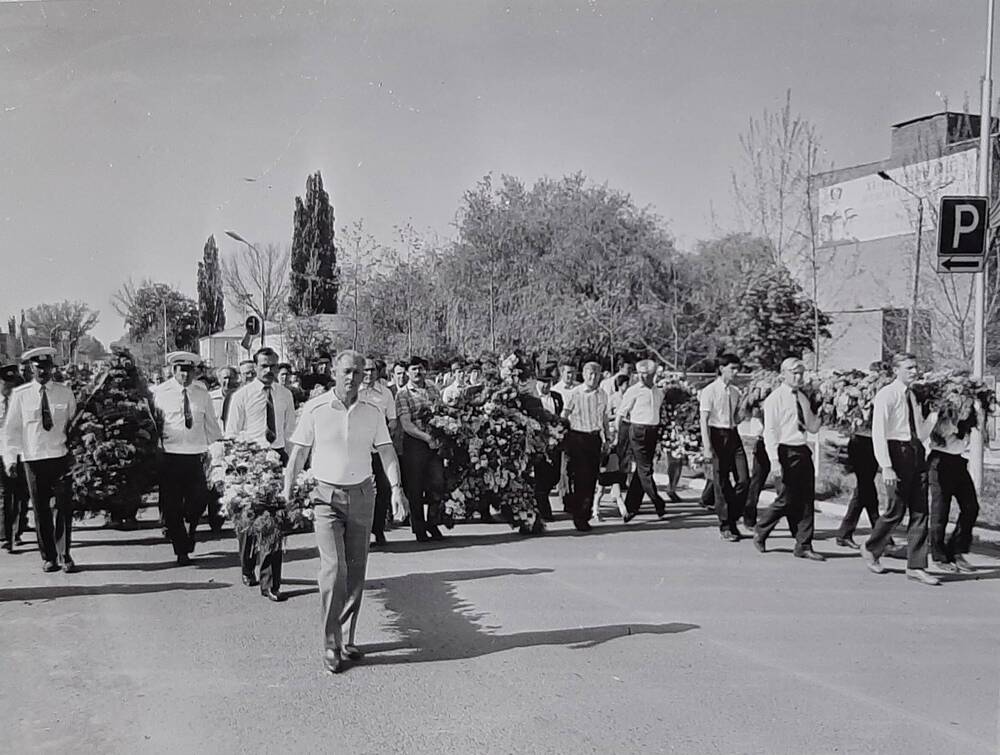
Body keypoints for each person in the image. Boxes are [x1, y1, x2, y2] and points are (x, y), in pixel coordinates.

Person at [283, 350, 408, 674]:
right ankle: (330, 643)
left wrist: (396, 490)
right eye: (347, 372)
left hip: (363, 495)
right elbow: (298, 454)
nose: (353, 378)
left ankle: (346, 638)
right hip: (325, 497)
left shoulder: (372, 411)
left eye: (359, 372)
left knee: (355, 572)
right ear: (333, 372)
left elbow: (386, 452)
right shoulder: (316, 408)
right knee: (334, 569)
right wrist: (288, 490)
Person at [861, 352, 939, 586]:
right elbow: (878, 433)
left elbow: (920, 432)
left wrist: (934, 417)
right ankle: (871, 546)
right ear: (896, 370)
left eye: (915, 367)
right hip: (897, 454)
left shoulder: (913, 396)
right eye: (908, 368)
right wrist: (886, 466)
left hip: (916, 452)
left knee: (920, 511)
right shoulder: (887, 394)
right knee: (896, 509)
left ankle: (916, 566)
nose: (914, 371)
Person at [226, 346, 298, 601]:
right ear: (255, 367)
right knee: (248, 522)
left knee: (274, 521)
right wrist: (236, 468)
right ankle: (247, 565)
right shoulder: (242, 396)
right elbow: (232, 433)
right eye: (264, 366)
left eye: (273, 366)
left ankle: (270, 584)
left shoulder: (285, 395)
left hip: (277, 457)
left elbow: (290, 431)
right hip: (250, 460)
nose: (269, 371)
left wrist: (293, 465)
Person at [3, 347, 78, 573]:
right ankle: (49, 556)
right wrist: (11, 459)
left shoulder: (64, 393)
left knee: (63, 508)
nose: (43, 372)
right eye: (38, 368)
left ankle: (65, 554)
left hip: (59, 457)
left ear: (52, 368)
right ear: (30, 368)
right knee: (41, 509)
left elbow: (73, 425)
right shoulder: (21, 395)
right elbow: (11, 431)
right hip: (33, 459)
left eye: (46, 367)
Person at [152, 351, 223, 565]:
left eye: (189, 370)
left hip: (196, 456)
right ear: (173, 371)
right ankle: (181, 549)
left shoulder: (202, 393)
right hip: (170, 456)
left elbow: (211, 424)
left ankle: (190, 527)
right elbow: (155, 425)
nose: (185, 374)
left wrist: (218, 449)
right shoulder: (160, 393)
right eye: (181, 370)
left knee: (198, 500)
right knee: (171, 506)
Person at [753, 357, 825, 561]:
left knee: (806, 500)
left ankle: (804, 544)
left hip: (802, 449)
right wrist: (774, 460)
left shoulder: (802, 397)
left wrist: (822, 414)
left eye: (801, 372)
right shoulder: (775, 399)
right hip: (784, 451)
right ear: (783, 374)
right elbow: (771, 431)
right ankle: (761, 528)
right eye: (794, 372)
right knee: (787, 498)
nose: (798, 376)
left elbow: (811, 427)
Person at [927, 389, 983, 574]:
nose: (967, 406)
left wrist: (976, 413)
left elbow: (977, 430)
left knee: (971, 507)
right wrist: (957, 418)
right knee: (940, 511)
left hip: (958, 462)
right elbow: (942, 433)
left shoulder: (970, 417)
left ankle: (956, 549)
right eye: (964, 402)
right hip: (940, 461)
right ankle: (938, 555)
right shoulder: (944, 415)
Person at [395, 356, 446, 542]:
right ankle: (419, 528)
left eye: (421, 368)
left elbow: (442, 411)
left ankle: (433, 521)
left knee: (438, 482)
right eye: (414, 369)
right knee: (415, 488)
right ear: (408, 372)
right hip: (415, 443)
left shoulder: (433, 388)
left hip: (436, 442)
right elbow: (406, 424)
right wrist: (426, 438)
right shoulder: (403, 394)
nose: (418, 372)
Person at [835, 362, 885, 549]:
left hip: (871, 443)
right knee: (867, 490)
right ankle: (881, 535)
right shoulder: (859, 393)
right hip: (861, 443)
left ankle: (845, 533)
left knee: (863, 491)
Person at [699, 354, 748, 542]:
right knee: (721, 482)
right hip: (716, 435)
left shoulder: (736, 392)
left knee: (744, 480)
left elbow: (736, 418)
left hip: (733, 435)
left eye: (738, 369)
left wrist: (746, 411)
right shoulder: (709, 391)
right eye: (732, 368)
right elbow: (704, 420)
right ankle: (726, 526)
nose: (736, 372)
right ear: (722, 368)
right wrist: (707, 447)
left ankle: (733, 516)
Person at [561, 362, 609, 532]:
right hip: (578, 438)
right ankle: (579, 515)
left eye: (596, 374)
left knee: (591, 479)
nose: (593, 377)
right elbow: (565, 415)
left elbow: (603, 418)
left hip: (594, 438)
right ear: (583, 374)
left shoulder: (602, 394)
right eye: (590, 373)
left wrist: (607, 439)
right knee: (580, 478)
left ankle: (584, 513)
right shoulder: (575, 393)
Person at [618, 359, 667, 522]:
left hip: (652, 430)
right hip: (638, 430)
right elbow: (622, 413)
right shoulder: (633, 390)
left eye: (646, 374)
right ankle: (657, 501)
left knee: (642, 470)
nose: (642, 377)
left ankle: (631, 507)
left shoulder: (658, 392)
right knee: (645, 469)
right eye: (640, 374)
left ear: (653, 375)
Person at [359, 357, 399, 547]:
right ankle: (360, 533)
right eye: (365, 370)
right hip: (358, 450)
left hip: (378, 449)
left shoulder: (385, 394)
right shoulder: (353, 392)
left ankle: (378, 530)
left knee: (383, 489)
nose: (369, 374)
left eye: (372, 370)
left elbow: (392, 419)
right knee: (360, 491)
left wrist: (384, 433)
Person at [0, 362, 29, 552]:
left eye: (12, 385)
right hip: (0, 453)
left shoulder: (23, 403)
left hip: (21, 453)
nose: (8, 389)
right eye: (5, 384)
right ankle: (5, 536)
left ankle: (17, 531)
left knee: (21, 494)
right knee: (3, 494)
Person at [532, 369, 564, 522]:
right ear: (537, 382)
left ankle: (540, 501)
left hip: (555, 440)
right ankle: (544, 509)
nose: (546, 385)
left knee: (555, 476)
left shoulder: (557, 397)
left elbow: (561, 415)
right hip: (538, 441)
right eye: (543, 382)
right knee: (541, 475)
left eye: (548, 382)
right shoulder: (532, 398)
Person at [210, 366, 240, 433]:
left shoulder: (241, 397)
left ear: (236, 379)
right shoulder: (210, 398)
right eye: (225, 378)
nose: (228, 381)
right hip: (216, 438)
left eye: (231, 378)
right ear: (219, 379)